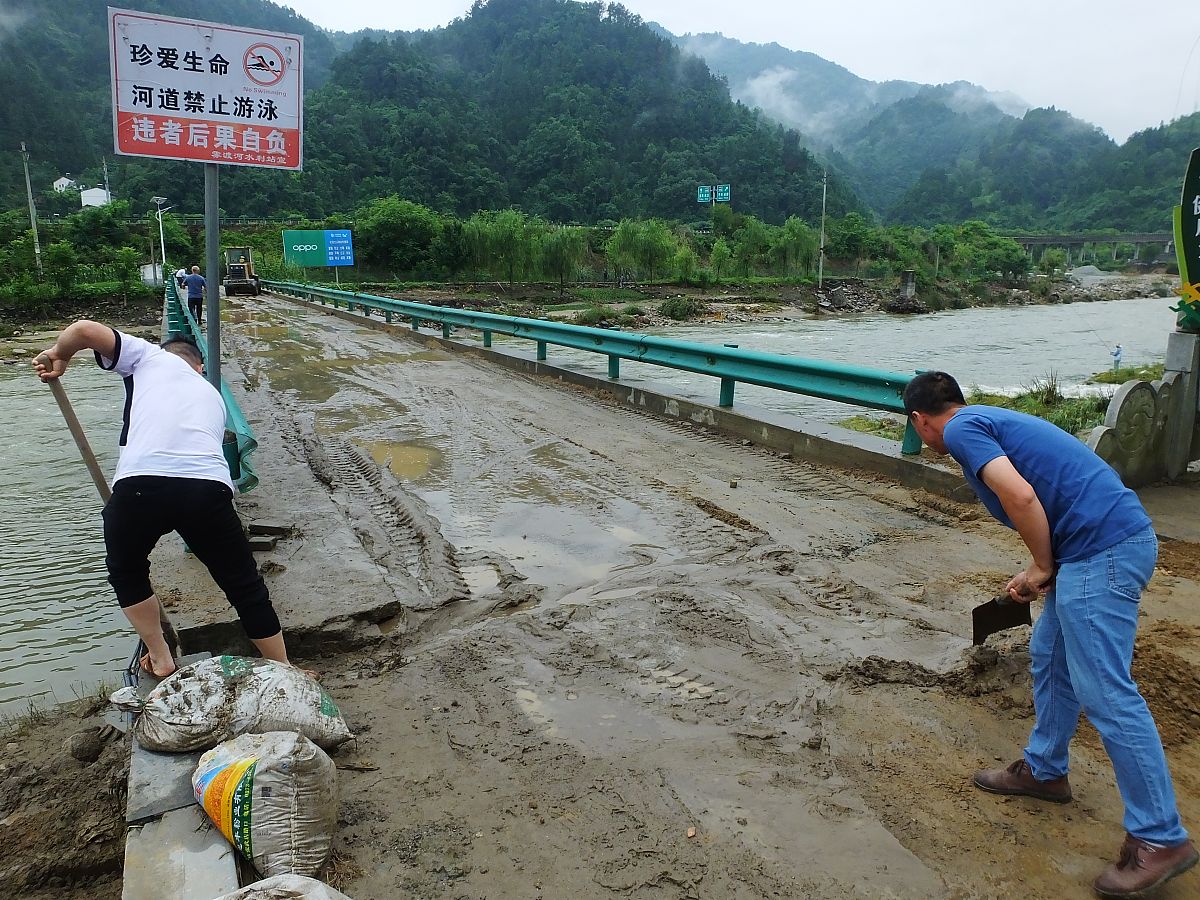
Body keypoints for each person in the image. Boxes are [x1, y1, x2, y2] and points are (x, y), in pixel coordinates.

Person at [903, 371, 1196, 898]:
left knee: (1106, 691)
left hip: (1103, 550)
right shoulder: (987, 420)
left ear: (922, 421)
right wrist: (1041, 568)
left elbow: (1020, 498)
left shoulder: (964, 430)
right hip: (1092, 547)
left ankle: (1160, 837)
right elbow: (1047, 497)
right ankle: (1044, 771)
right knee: (1051, 653)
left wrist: (1041, 566)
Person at [33, 321, 293, 678]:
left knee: (127, 571)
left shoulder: (150, 357)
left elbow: (84, 330)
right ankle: (283, 667)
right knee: (243, 584)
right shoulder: (212, 396)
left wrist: (59, 355)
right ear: (200, 367)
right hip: (206, 489)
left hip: (141, 482)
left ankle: (160, 655)